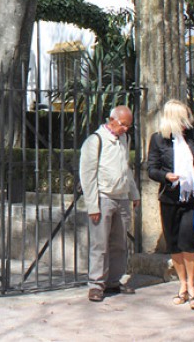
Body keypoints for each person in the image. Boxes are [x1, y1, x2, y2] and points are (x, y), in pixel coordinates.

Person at [147, 99, 194, 310]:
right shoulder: (159, 139)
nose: (188, 121)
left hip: (193, 198)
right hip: (169, 197)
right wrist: (166, 175)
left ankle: (193, 287)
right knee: (174, 243)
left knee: (189, 242)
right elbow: (151, 168)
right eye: (183, 117)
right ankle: (182, 286)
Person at [80, 105, 141, 302]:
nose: (125, 129)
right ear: (112, 120)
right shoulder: (95, 140)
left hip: (121, 197)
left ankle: (114, 280)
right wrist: (93, 205)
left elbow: (126, 168)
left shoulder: (125, 139)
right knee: (100, 244)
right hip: (104, 197)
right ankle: (96, 284)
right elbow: (87, 175)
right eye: (123, 124)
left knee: (119, 243)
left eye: (128, 126)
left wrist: (134, 193)